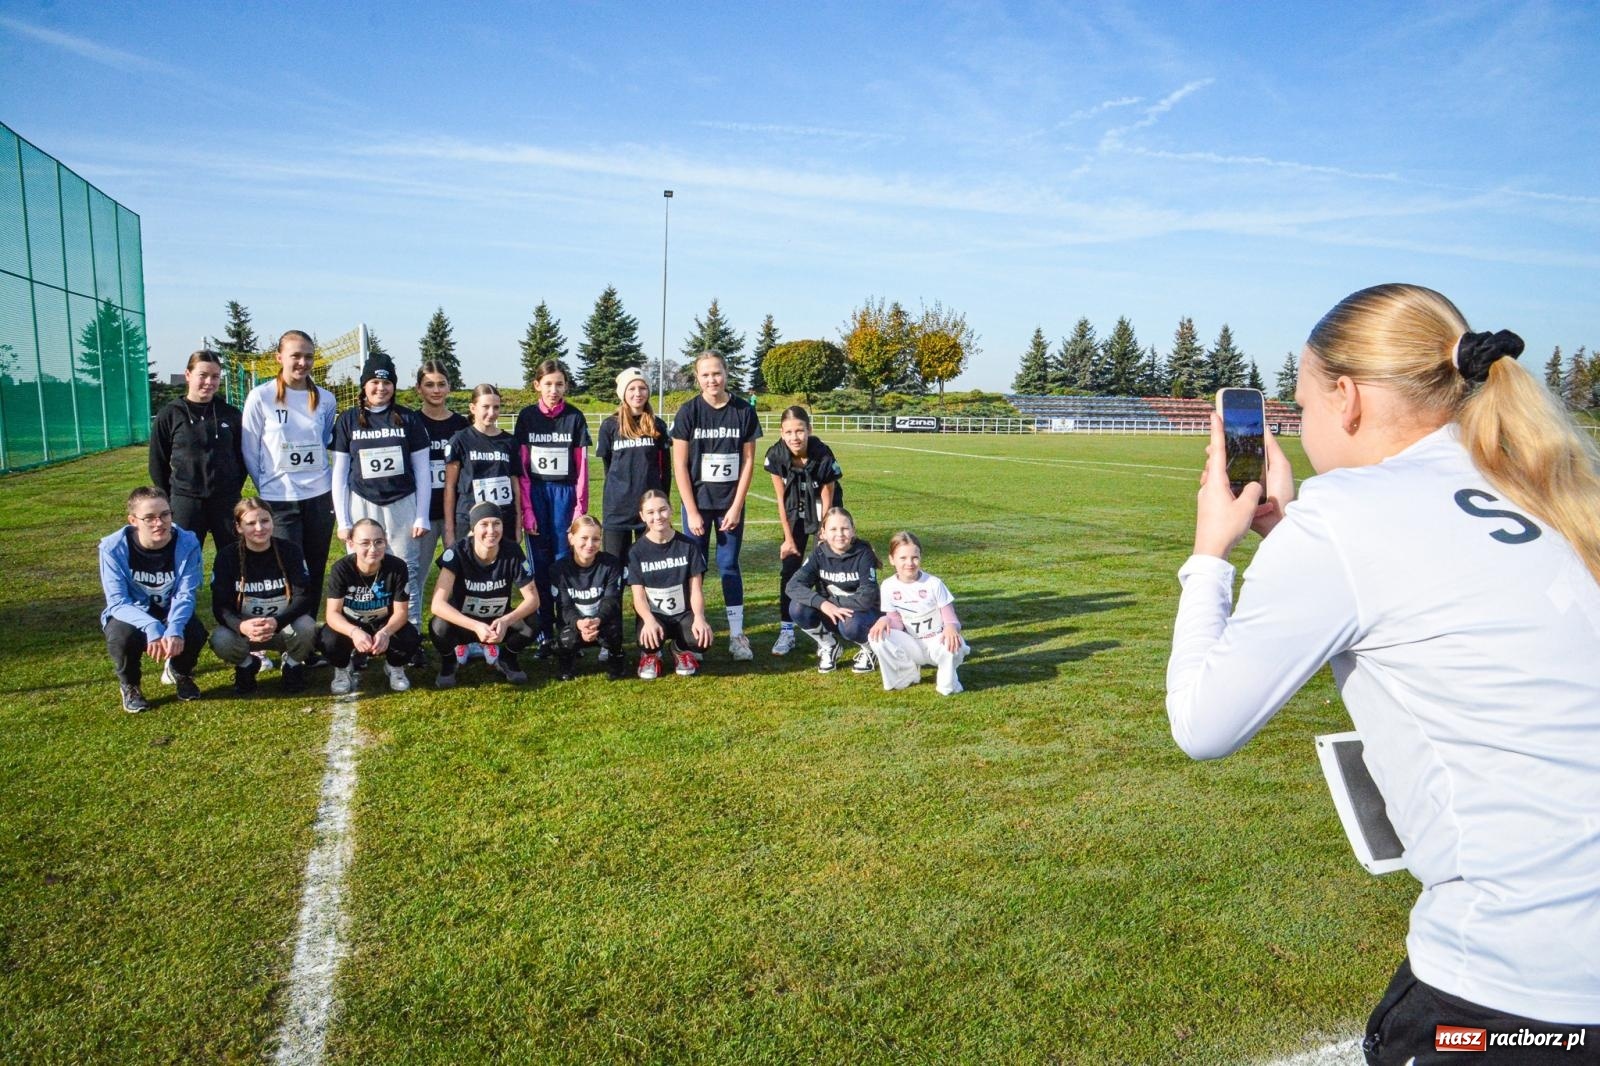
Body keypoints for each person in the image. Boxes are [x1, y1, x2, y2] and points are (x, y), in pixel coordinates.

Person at [1164, 284, 1600, 1061]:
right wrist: (1287, 535)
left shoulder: (1345, 513)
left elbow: (1202, 724)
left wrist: (1208, 556)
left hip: (1515, 984)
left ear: (1348, 398)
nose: (1300, 428)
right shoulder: (1543, 488)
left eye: (1301, 407)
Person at [329, 352, 431, 635]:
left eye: (387, 383)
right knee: (362, 570)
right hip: (362, 502)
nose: (381, 388)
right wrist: (343, 521)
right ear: (364, 385)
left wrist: (421, 515)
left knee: (406, 569)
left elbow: (423, 470)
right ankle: (359, 634)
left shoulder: (408, 418)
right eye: (374, 382)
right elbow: (339, 473)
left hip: (402, 502)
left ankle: (410, 635)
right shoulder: (348, 420)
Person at [670, 350, 762, 660]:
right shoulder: (688, 412)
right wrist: (691, 510)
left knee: (728, 565)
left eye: (717, 373)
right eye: (706, 374)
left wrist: (736, 506)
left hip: (729, 505)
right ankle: (690, 634)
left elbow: (748, 462)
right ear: (697, 378)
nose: (712, 379)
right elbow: (680, 465)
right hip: (697, 505)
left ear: (726, 373)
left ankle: (737, 635)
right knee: (694, 569)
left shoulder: (743, 411)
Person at [241, 330, 338, 606]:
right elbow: (250, 449)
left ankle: (307, 625)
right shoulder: (261, 397)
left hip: (319, 497)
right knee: (288, 568)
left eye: (308, 357)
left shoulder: (326, 399)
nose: (302, 363)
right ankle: (287, 624)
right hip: (279, 499)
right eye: (295, 355)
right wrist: (266, 485)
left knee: (316, 567)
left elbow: (322, 440)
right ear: (279, 357)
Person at [98, 487, 205, 712]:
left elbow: (185, 593)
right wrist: (150, 625)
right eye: (149, 518)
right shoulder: (112, 548)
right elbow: (118, 601)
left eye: (165, 514)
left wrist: (174, 627)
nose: (159, 523)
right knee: (121, 635)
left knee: (194, 631)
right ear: (133, 520)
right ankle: (130, 686)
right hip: (132, 611)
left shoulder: (187, 542)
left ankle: (180, 672)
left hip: (169, 609)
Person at [515, 359, 591, 649]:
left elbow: (582, 468)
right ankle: (544, 632)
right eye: (548, 384)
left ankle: (568, 630)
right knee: (540, 567)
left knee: (565, 564)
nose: (553, 389)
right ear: (537, 385)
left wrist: (579, 509)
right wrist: (527, 510)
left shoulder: (575, 417)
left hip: (565, 497)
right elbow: (522, 469)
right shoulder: (527, 417)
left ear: (566, 386)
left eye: (559, 384)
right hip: (536, 495)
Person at [208, 498, 316, 695]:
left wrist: (278, 622)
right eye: (250, 523)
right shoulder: (227, 556)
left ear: (273, 521)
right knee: (220, 638)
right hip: (247, 631)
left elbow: (304, 596)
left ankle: (292, 665)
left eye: (265, 521)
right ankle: (247, 665)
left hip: (282, 627)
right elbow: (220, 606)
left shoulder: (290, 550)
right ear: (239, 527)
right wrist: (242, 626)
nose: (259, 528)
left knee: (307, 626)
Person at [429, 501, 540, 687]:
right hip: (465, 624)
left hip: (497, 623)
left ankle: (507, 659)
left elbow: (533, 599)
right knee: (438, 625)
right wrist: (475, 626)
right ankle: (449, 662)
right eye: (484, 524)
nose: (491, 530)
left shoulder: (512, 551)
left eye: (496, 523)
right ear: (473, 528)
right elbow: (437, 604)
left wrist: (506, 621)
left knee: (533, 621)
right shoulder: (457, 552)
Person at [764, 406, 843, 655]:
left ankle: (827, 632)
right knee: (789, 569)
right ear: (781, 432)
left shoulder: (822, 454)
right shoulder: (776, 454)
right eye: (788, 432)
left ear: (809, 429)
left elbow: (828, 497)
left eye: (799, 431)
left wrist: (824, 534)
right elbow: (780, 499)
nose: (794, 437)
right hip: (794, 510)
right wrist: (788, 538)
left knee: (825, 569)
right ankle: (786, 630)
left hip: (824, 511)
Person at [147, 349, 245, 551]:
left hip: (226, 500)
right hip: (186, 500)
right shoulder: (170, 414)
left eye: (215, 376)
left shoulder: (231, 414)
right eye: (203, 375)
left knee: (235, 555)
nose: (209, 382)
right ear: (188, 375)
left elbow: (242, 458)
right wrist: (171, 497)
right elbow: (158, 462)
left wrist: (232, 487)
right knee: (184, 555)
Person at [320, 518, 419, 694]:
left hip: (383, 622)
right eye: (365, 543)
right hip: (352, 623)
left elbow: (401, 612)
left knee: (409, 636)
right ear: (351, 544)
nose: (373, 549)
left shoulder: (397, 567)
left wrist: (385, 632)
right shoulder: (341, 569)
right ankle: (342, 667)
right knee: (328, 639)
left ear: (385, 542)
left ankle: (394, 666)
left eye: (378, 542)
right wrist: (353, 632)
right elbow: (332, 614)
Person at [868, 531, 968, 696]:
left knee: (953, 642)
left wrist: (951, 628)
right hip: (912, 644)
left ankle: (948, 684)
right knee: (876, 636)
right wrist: (884, 620)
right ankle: (906, 674)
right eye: (903, 558)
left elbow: (951, 619)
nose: (909, 563)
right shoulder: (888, 586)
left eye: (914, 557)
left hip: (937, 642)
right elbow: (896, 623)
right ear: (892, 559)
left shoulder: (934, 584)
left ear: (920, 557)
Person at [627, 489, 714, 678]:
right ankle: (650, 654)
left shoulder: (689, 546)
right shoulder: (636, 551)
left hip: (683, 614)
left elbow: (696, 590)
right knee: (646, 640)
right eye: (650, 512)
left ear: (671, 510)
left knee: (701, 641)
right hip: (655, 615)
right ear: (642, 516)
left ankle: (680, 649)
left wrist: (699, 617)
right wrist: (648, 620)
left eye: (662, 510)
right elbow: (638, 597)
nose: (658, 517)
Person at [785, 507, 879, 674]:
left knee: (850, 625)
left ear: (853, 530)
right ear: (823, 533)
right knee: (797, 607)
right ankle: (829, 645)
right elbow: (792, 586)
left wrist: (832, 604)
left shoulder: (864, 554)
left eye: (845, 528)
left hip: (862, 615)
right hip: (832, 613)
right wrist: (823, 605)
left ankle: (870, 649)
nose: (839, 534)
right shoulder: (819, 554)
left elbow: (867, 597)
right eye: (833, 529)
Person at [412, 361, 469, 640]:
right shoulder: (410, 422)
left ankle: (465, 635)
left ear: (449, 387)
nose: (436, 390)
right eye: (429, 384)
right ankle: (411, 635)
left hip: (455, 515)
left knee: (462, 576)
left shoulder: (461, 425)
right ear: (418, 388)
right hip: (420, 514)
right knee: (415, 576)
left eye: (441, 384)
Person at [595, 367, 671, 567]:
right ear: (623, 393)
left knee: (650, 567)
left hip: (650, 509)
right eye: (632, 388)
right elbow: (608, 467)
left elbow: (666, 470)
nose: (638, 393)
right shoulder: (609, 426)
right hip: (617, 508)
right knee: (614, 568)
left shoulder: (658, 425)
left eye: (642, 388)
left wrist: (663, 502)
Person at [549, 515, 628, 681]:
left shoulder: (611, 564)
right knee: (566, 639)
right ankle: (566, 661)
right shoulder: (559, 569)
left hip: (601, 621)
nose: (590, 544)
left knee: (614, 631)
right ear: (571, 538)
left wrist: (597, 620)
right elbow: (564, 607)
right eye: (584, 538)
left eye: (596, 539)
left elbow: (611, 600)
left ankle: (616, 656)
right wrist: (579, 623)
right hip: (575, 624)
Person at [443, 384, 521, 547]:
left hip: (503, 519)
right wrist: (449, 530)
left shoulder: (510, 441)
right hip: (470, 518)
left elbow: (515, 485)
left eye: (496, 407)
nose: (491, 413)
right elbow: (449, 486)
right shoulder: (459, 440)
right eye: (486, 407)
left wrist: (518, 524)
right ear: (473, 408)